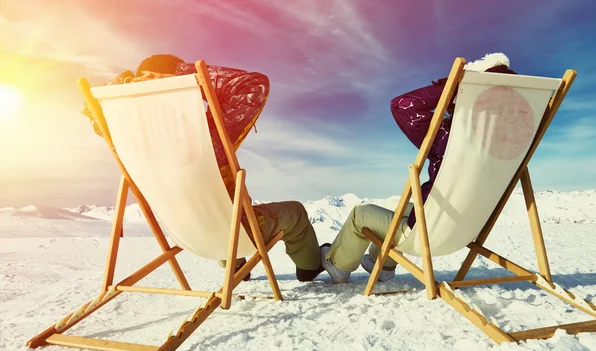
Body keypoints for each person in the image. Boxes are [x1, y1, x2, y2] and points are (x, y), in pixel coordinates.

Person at [83, 54, 327, 282]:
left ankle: (237, 266)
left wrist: (127, 82)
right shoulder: (204, 137)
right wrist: (185, 75)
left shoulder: (125, 137)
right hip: (234, 233)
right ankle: (308, 268)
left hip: (186, 234)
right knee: (295, 212)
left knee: (210, 204)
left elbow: (91, 106)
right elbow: (253, 86)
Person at [319, 53, 518, 283]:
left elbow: (402, 105)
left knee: (359, 214)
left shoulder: (452, 137)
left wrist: (454, 88)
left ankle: (338, 265)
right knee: (405, 208)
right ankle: (380, 265)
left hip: (428, 234)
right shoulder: (509, 146)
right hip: (463, 233)